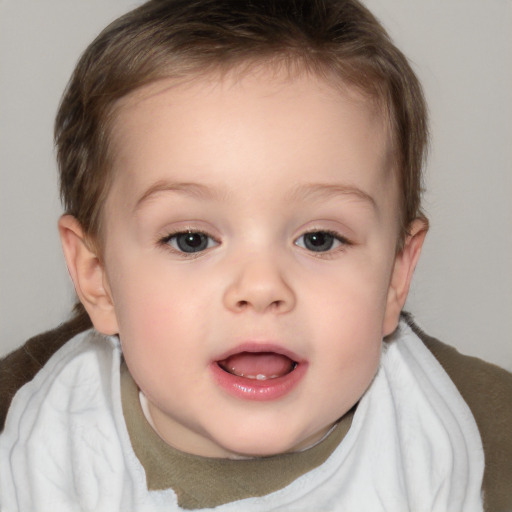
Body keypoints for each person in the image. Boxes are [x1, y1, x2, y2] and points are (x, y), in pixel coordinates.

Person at [0, 0, 511, 510]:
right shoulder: (43, 442)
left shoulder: (476, 437)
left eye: (319, 239)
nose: (262, 286)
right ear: (98, 278)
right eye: (191, 239)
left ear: (397, 276)